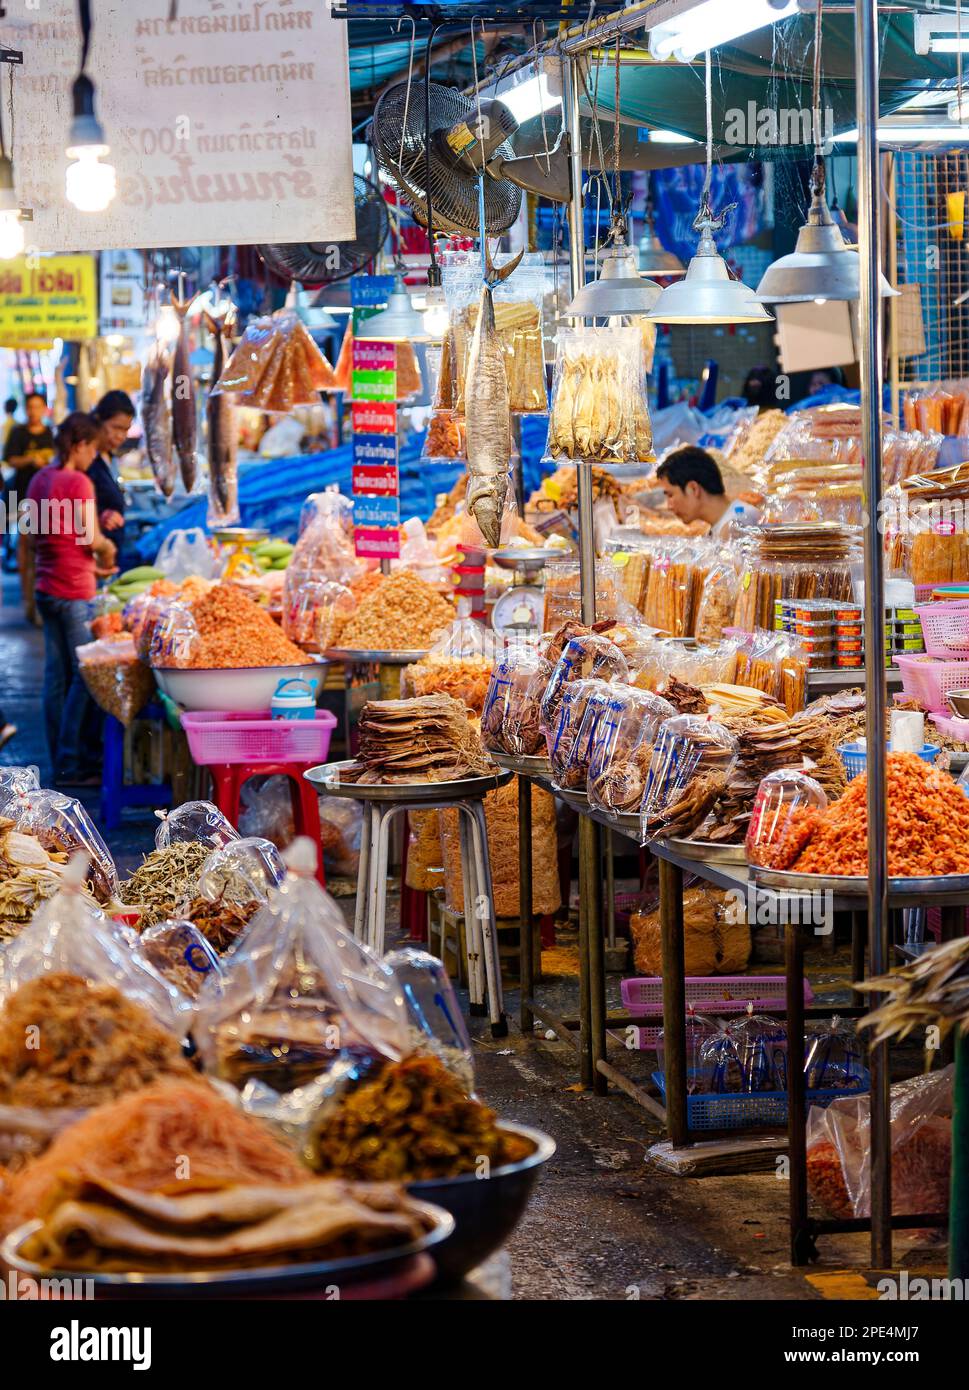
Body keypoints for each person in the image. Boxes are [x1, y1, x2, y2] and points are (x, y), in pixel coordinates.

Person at [25, 412, 116, 785]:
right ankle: (73, 763)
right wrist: (107, 551)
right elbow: (90, 539)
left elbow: (32, 538)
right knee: (85, 676)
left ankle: (59, 762)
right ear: (80, 445)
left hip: (47, 588)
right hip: (75, 592)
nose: (94, 457)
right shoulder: (78, 481)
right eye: (93, 449)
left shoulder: (38, 479)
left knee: (56, 679)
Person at [4, 392, 55, 624]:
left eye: (38, 407)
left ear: (45, 409)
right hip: (22, 496)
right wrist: (31, 461)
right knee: (26, 546)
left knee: (44, 548)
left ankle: (41, 598)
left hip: (47, 499)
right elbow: (10, 459)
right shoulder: (18, 433)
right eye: (30, 407)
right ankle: (29, 600)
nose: (34, 411)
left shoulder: (51, 434)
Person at [656, 446, 761, 538]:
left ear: (693, 489)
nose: (669, 506)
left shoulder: (736, 526)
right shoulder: (721, 525)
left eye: (670, 495)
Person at [89, 390, 135, 547]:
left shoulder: (110, 457)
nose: (121, 436)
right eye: (116, 428)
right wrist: (100, 517)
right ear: (98, 420)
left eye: (126, 430)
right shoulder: (87, 462)